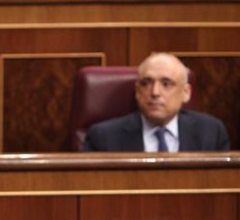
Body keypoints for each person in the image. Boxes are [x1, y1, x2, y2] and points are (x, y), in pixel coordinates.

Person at [83, 53, 230, 152]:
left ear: (186, 93)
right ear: (137, 91)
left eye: (166, 84)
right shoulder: (103, 138)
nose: (155, 92)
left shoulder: (211, 133)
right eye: (146, 83)